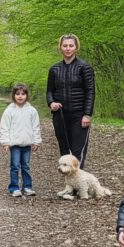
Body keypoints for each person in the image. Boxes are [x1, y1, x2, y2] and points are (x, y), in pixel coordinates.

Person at [46, 33, 95, 168]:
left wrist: (87, 114)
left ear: (76, 48)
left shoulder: (84, 67)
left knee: (78, 152)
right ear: (60, 47)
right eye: (65, 45)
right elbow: (49, 91)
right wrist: (51, 103)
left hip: (79, 115)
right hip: (60, 115)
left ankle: (78, 179)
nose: (68, 48)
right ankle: (68, 180)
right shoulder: (54, 69)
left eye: (71, 46)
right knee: (64, 151)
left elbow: (90, 91)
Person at [0, 83, 42, 196]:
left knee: (26, 166)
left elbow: (36, 127)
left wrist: (36, 141)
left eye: (23, 94)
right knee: (15, 166)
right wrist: (5, 143)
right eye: (17, 94)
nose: (20, 96)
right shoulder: (9, 111)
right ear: (13, 95)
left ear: (27, 95)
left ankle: (27, 187)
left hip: (27, 144)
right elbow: (4, 127)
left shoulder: (32, 111)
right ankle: (14, 188)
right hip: (15, 144)